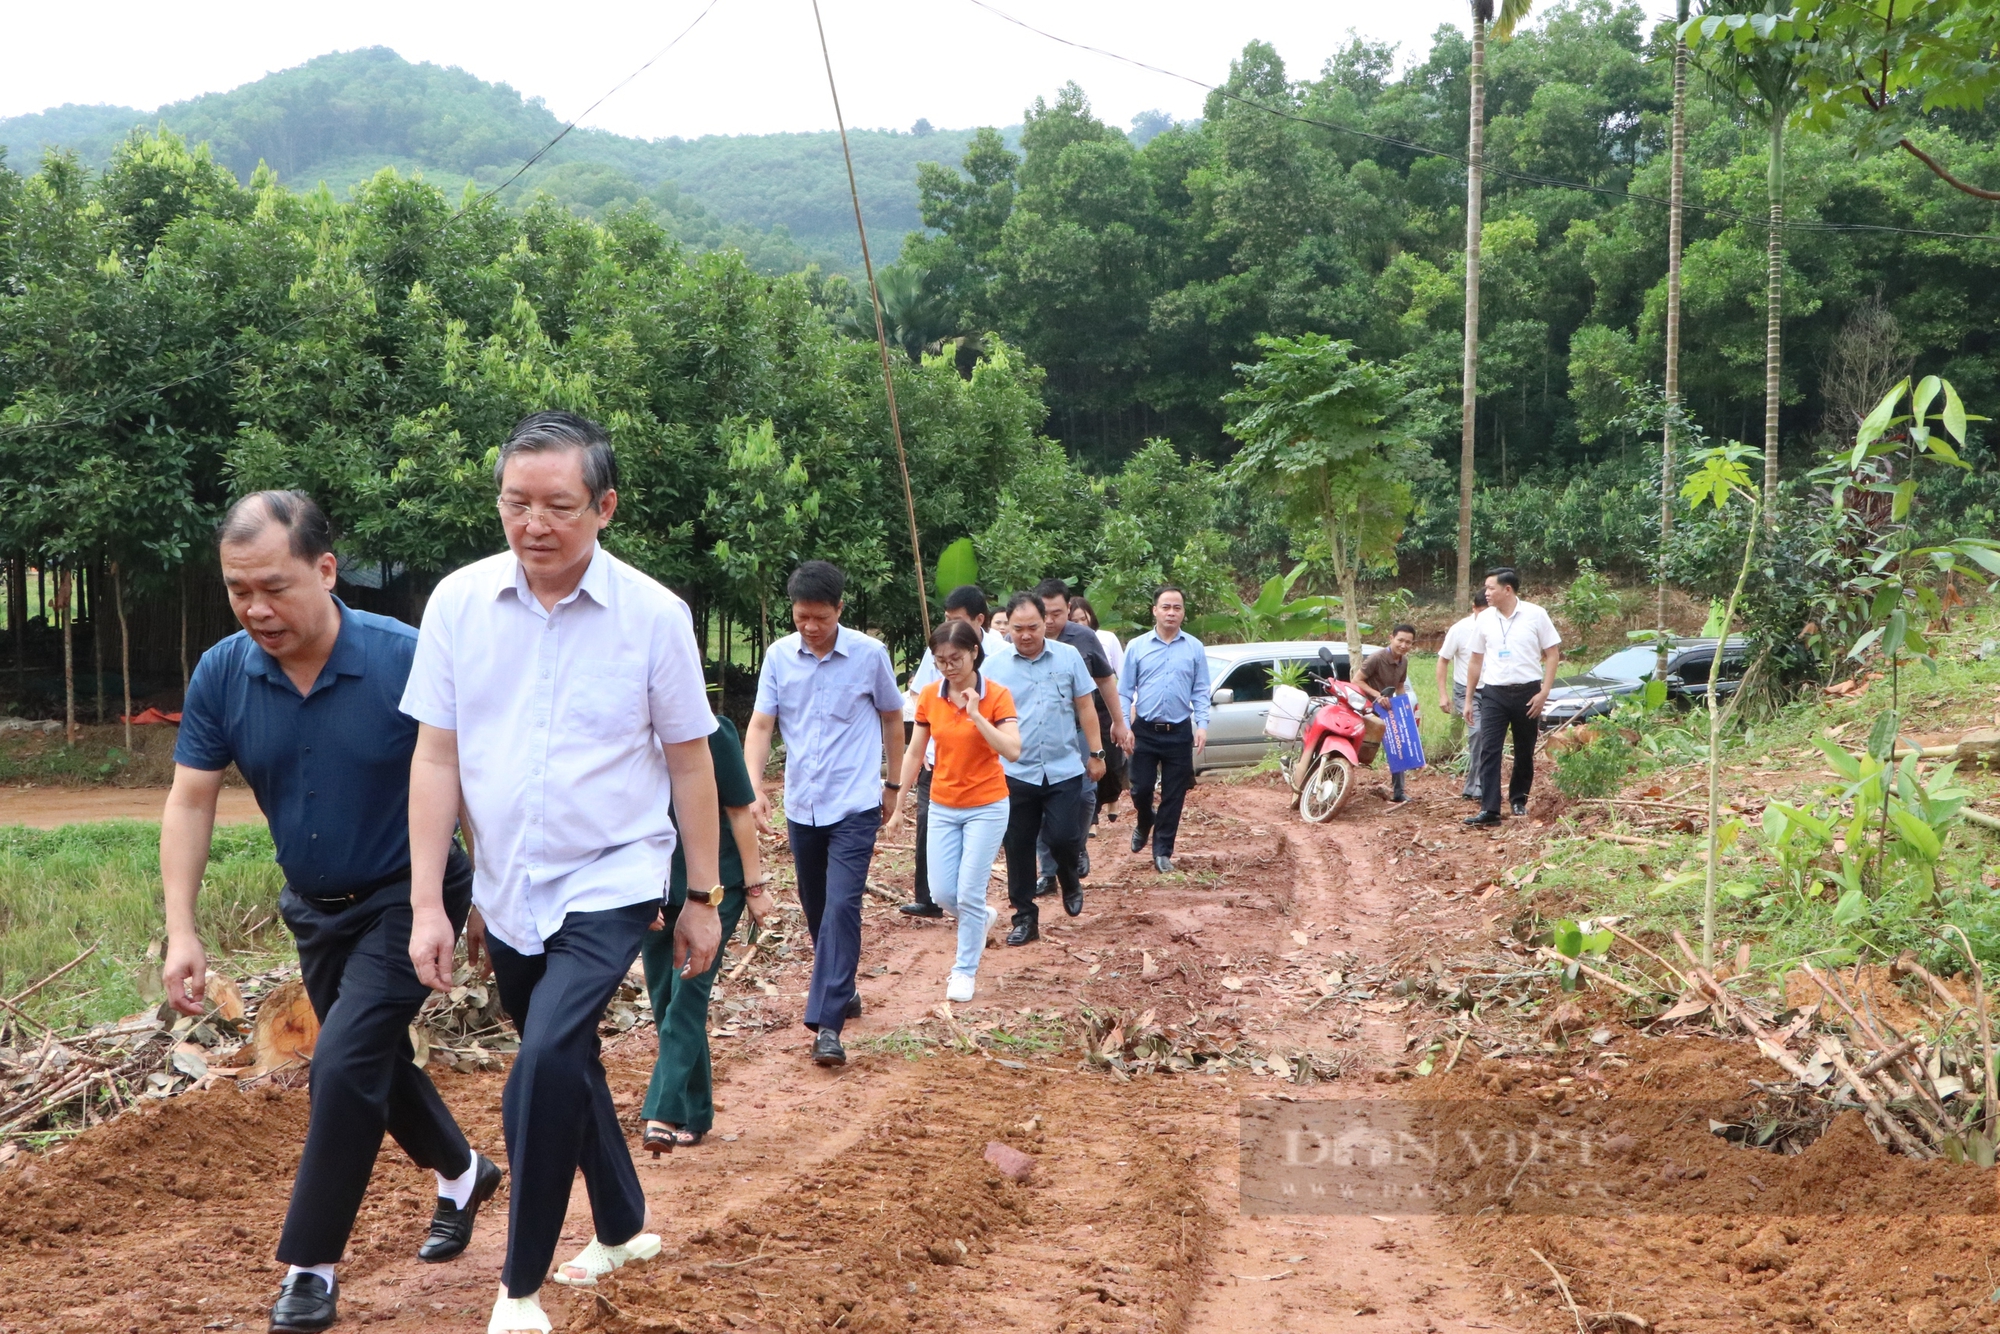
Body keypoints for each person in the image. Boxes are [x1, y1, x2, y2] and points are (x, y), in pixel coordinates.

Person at [401, 411, 724, 1334]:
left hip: (615, 873)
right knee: (566, 1052)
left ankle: (519, 1289)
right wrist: (433, 899)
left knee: (540, 1059)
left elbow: (690, 762)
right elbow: (435, 759)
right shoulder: (458, 604)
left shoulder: (655, 616)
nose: (534, 524)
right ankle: (621, 1223)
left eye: (558, 506)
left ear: (605, 506)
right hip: (509, 886)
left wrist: (700, 896)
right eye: (516, 503)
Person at [160, 491, 498, 1334]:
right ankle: (462, 1172)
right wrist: (183, 926)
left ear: (325, 569)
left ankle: (309, 1266)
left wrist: (489, 888)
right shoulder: (222, 673)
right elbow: (191, 801)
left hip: (408, 896)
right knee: (371, 1060)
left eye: (274, 586)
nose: (257, 609)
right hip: (314, 909)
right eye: (239, 591)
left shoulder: (404, 659)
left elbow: (467, 780)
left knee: (343, 1062)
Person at [743, 561, 903, 1068]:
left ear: (839, 609)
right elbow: (762, 723)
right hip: (802, 806)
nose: (810, 627)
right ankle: (843, 987)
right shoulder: (778, 657)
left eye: (820, 617)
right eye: (800, 617)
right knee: (817, 909)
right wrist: (753, 788)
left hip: (854, 803)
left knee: (841, 907)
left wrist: (894, 785)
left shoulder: (869, 655)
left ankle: (827, 1025)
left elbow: (893, 717)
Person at [639, 714, 771, 1153]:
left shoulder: (714, 731)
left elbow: (739, 810)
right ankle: (696, 1111)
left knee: (688, 993)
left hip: (717, 885)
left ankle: (663, 1111)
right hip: (654, 885)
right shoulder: (628, 731)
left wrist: (755, 887)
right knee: (663, 997)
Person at [886, 619, 1021, 1000]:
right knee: (943, 892)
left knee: (969, 892)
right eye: (940, 660)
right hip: (943, 803)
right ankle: (979, 921)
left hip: (987, 805)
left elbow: (1012, 750)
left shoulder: (997, 696)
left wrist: (977, 714)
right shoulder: (930, 696)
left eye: (955, 659)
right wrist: (898, 803)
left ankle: (963, 970)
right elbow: (915, 751)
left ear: (974, 653)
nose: (948, 667)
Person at [985, 593, 1105, 946]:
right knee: (1018, 847)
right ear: (1008, 627)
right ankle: (1024, 916)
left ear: (1046, 623)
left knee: (1064, 836)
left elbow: (1085, 707)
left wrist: (1096, 753)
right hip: (1015, 772)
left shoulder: (1068, 658)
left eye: (1033, 627)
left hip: (1064, 768)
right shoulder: (993, 667)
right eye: (1017, 628)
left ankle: (1069, 877)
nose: (1026, 635)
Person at [899, 586, 1009, 921]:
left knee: (970, 878)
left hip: (986, 770)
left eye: (957, 621)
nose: (947, 665)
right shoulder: (941, 653)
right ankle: (933, 899)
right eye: (946, 620)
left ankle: (965, 962)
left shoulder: (1002, 654)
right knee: (927, 833)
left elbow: (1008, 721)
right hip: (940, 762)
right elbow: (920, 700)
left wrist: (979, 718)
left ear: (979, 622)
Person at [1033, 579, 1130, 890]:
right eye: (1044, 614)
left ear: (1070, 609)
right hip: (1038, 733)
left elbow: (1106, 681)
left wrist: (1119, 721)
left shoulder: (1085, 639)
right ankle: (1048, 872)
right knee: (1041, 799)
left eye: (1057, 613)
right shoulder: (1021, 639)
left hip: (1079, 729)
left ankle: (1076, 847)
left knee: (1087, 793)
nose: (1049, 621)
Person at [1118, 586, 1210, 875]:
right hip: (1144, 729)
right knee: (1140, 788)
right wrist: (1124, 725)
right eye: (1166, 607)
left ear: (1183, 612)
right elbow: (1124, 690)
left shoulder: (1194, 648)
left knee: (1174, 794)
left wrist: (1202, 725)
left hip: (1179, 731)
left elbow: (1201, 689)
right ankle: (1145, 819)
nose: (1171, 613)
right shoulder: (1137, 646)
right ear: (1154, 610)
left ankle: (1162, 852)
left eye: (1177, 608)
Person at [1462, 568, 1563, 827]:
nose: (1487, 593)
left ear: (1508, 589)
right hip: (1494, 692)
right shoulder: (1484, 619)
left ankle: (1519, 799)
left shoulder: (1536, 615)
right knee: (1489, 749)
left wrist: (1544, 692)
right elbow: (1475, 660)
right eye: (1486, 588)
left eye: (1491, 588)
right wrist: (1469, 698)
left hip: (1528, 692)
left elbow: (1552, 654)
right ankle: (1490, 809)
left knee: (1524, 749)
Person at [1070, 595, 1130, 828]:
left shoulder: (1105, 638)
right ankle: (1092, 818)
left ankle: (1112, 797)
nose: (1079, 623)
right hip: (1082, 705)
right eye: (1074, 619)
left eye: (1082, 618)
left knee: (1112, 759)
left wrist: (1122, 716)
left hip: (1104, 704)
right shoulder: (1063, 643)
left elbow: (1116, 675)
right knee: (1089, 760)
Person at [1436, 587, 1492, 802]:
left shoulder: (1498, 628)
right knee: (1476, 731)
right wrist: (1443, 694)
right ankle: (1476, 784)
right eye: (1482, 613)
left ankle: (1479, 784)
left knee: (1489, 736)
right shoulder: (1459, 630)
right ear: (1473, 609)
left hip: (1492, 688)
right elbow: (1443, 660)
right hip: (1465, 690)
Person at [1355, 623, 1420, 803]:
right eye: (1400, 640)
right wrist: (1377, 696)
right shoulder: (1376, 658)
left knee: (1397, 746)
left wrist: (1404, 708)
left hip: (1388, 709)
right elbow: (1357, 680)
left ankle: (1398, 792)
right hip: (1368, 709)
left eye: (1408, 642)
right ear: (1391, 638)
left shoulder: (1404, 661)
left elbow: (1400, 685)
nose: (1403, 645)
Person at [1070, 596, 1123, 674]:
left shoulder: (1108, 638)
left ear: (1090, 615)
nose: (1080, 624)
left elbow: (1122, 670)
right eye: (1075, 621)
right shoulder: (1065, 644)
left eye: (1083, 619)